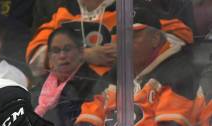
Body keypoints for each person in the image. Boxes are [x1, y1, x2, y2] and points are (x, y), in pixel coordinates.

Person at [72, 8, 199, 126]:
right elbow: (86, 121)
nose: (124, 43)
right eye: (120, 37)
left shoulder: (178, 72)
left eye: (133, 36)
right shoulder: (116, 73)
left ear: (155, 39)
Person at [26, 0, 194, 78]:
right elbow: (35, 59)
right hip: (66, 98)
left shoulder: (134, 7)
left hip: (120, 95)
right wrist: (84, 54)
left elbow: (180, 36)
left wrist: (129, 51)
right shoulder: (64, 11)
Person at [30, 26, 100, 126]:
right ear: (49, 57)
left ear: (81, 52)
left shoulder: (93, 85)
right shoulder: (37, 89)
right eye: (56, 51)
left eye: (67, 49)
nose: (62, 56)